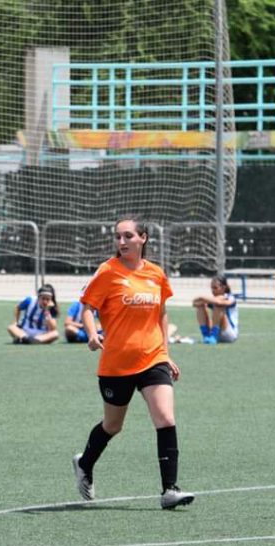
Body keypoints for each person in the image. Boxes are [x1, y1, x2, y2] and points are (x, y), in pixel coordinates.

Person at [70, 216, 194, 510]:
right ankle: (84, 463)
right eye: (118, 237)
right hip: (116, 363)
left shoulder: (156, 274)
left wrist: (165, 352)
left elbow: (161, 314)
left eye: (127, 236)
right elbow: (87, 308)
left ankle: (169, 490)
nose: (121, 242)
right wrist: (91, 334)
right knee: (113, 426)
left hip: (152, 358)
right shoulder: (107, 272)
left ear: (143, 238)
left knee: (165, 418)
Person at [192, 274, 238, 344]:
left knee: (218, 306)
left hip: (229, 334)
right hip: (217, 332)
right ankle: (206, 335)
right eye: (211, 288)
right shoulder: (213, 299)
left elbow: (218, 301)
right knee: (201, 306)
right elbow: (195, 303)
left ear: (223, 288)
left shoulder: (230, 297)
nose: (213, 291)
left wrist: (202, 297)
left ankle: (213, 335)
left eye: (215, 288)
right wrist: (201, 302)